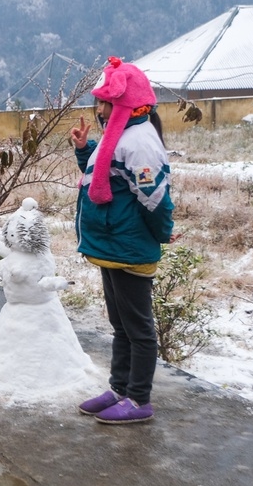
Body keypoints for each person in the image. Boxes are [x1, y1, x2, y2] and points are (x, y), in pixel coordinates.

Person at [71, 56, 176, 424]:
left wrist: (162, 234)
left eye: (104, 101)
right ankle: (119, 388)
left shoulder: (140, 141)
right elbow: (102, 175)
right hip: (113, 247)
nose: (99, 109)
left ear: (124, 102)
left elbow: (156, 199)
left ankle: (139, 398)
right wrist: (85, 150)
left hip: (130, 247)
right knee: (121, 325)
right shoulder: (119, 133)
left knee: (139, 329)